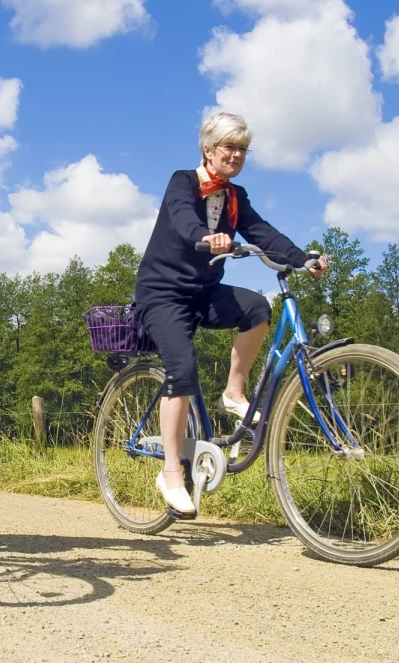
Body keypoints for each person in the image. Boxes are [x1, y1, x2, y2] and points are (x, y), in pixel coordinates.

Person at [134, 112, 327, 515]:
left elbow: (262, 232)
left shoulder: (235, 197)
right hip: (164, 293)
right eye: (229, 147)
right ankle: (171, 472)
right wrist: (206, 236)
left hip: (203, 292)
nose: (236, 155)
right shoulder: (182, 181)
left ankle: (233, 393)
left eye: (243, 149)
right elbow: (184, 216)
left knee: (257, 308)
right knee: (182, 371)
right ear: (208, 149)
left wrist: (301, 259)